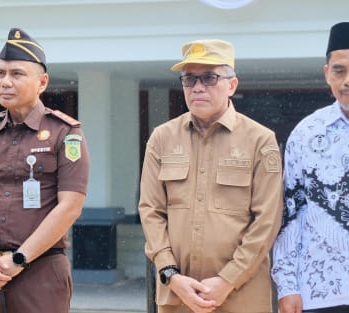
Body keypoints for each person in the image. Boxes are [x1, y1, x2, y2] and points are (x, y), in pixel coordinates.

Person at [140, 39, 283, 313]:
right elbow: (151, 211)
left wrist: (228, 280)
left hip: (241, 297)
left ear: (232, 85)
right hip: (177, 294)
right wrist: (170, 273)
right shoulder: (162, 138)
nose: (197, 87)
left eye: (209, 77)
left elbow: (267, 220)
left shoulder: (260, 140)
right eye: (189, 79)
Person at [0, 28, 89, 313]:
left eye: (16, 74)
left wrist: (19, 259)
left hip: (40, 270)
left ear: (42, 82)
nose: (5, 82)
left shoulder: (65, 133)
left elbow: (70, 206)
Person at [272, 22, 349, 313]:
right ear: (326, 72)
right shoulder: (306, 134)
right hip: (320, 291)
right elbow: (291, 213)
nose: (347, 81)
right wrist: (287, 286)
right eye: (339, 70)